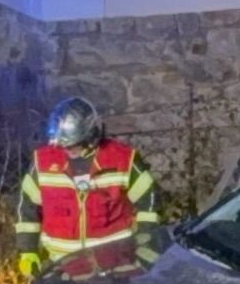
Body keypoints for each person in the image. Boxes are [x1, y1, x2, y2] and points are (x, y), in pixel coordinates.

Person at [14, 95, 160, 272]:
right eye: (62, 145)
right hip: (61, 264)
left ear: (91, 137)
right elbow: (27, 208)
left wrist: (146, 245)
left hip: (115, 264)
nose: (67, 150)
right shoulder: (43, 162)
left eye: (74, 145)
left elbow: (149, 202)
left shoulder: (121, 159)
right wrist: (28, 251)